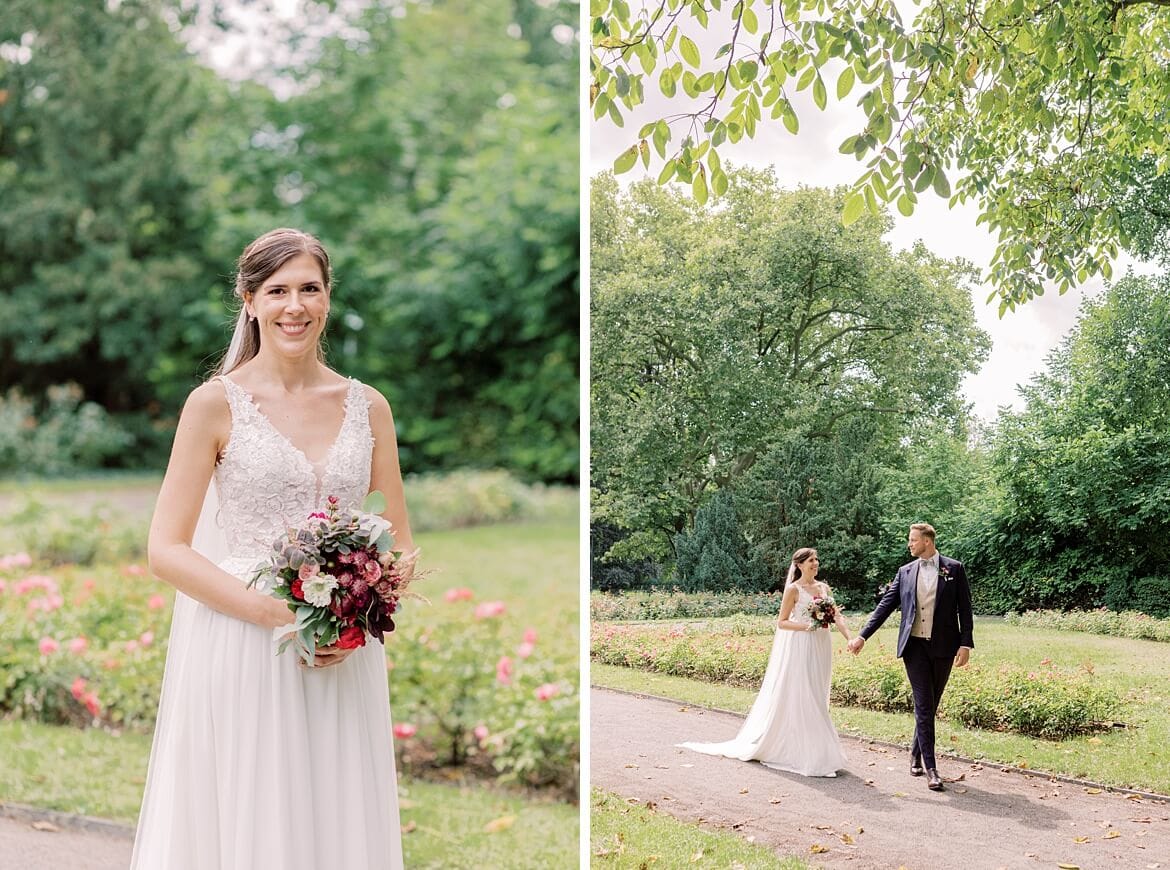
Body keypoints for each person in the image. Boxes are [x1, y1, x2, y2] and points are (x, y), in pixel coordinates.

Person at [130, 228, 412, 869]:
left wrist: (354, 620)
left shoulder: (369, 407)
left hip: (342, 653)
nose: (295, 306)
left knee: (335, 818)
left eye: (309, 288)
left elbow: (397, 542)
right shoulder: (213, 405)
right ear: (249, 301)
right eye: (277, 291)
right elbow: (165, 549)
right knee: (254, 821)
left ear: (328, 297)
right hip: (244, 640)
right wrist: (279, 617)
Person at [678, 547, 850, 777]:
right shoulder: (793, 589)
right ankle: (811, 755)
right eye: (811, 560)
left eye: (817, 559)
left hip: (821, 645)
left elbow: (836, 615)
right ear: (799, 565)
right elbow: (782, 622)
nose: (815, 563)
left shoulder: (823, 588)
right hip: (801, 645)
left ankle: (821, 752)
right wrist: (808, 626)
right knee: (804, 693)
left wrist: (851, 638)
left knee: (817, 693)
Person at [847, 523, 974, 792]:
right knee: (924, 705)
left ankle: (915, 753)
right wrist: (862, 636)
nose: (910, 544)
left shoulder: (954, 568)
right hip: (914, 648)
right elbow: (885, 606)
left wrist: (966, 644)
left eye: (913, 540)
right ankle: (932, 768)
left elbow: (965, 608)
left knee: (932, 703)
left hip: (943, 648)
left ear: (927, 542)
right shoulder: (904, 572)